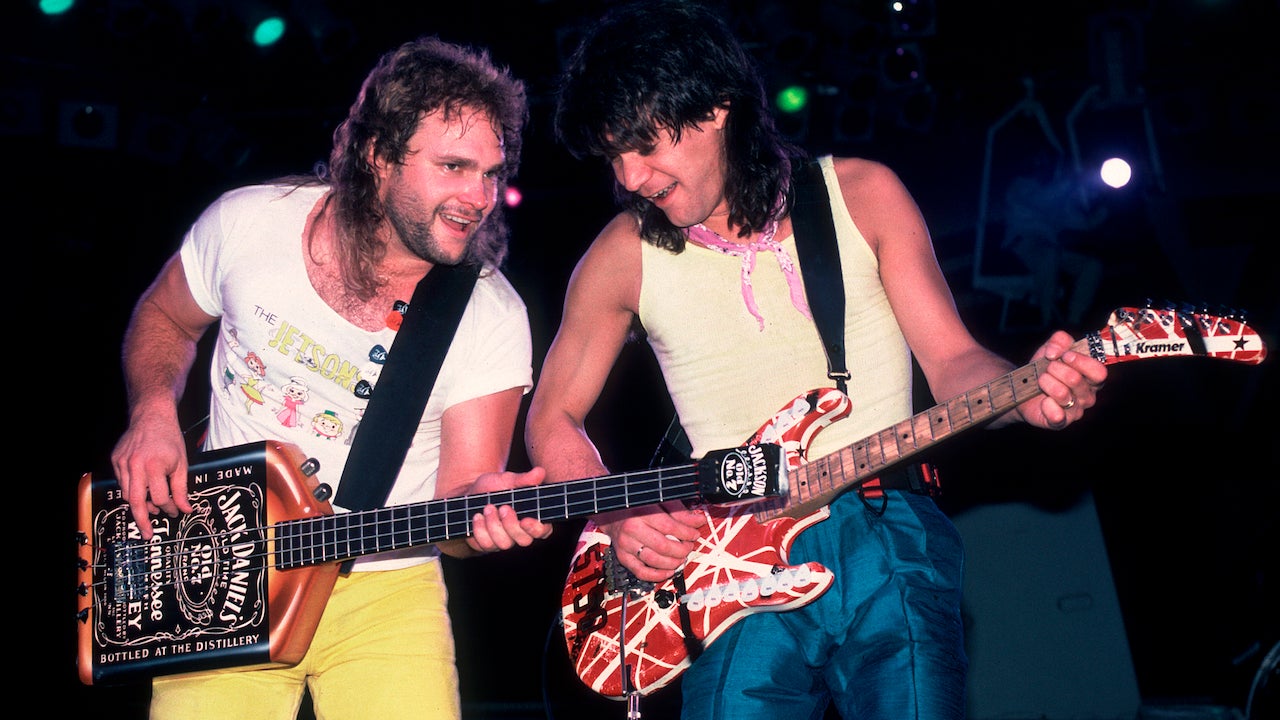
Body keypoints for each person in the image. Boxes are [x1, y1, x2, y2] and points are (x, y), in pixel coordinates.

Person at [524, 2, 1109, 718]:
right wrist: (619, 510)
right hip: (725, 562)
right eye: (613, 156)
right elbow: (551, 417)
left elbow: (954, 362)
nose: (631, 175)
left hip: (885, 525)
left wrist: (1026, 394)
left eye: (644, 145)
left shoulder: (862, 194)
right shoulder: (621, 255)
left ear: (715, 107)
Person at [109, 36, 552, 720]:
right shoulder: (249, 223)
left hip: (386, 596)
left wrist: (484, 513)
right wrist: (151, 415)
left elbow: (458, 511)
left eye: (491, 173)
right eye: (453, 166)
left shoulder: (490, 315)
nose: (480, 196)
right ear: (377, 155)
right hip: (221, 569)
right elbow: (164, 317)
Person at [1002, 150, 1108, 328]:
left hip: (1051, 247)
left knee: (1092, 265)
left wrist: (1105, 208)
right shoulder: (1019, 187)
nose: (1045, 167)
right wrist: (1072, 181)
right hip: (1022, 246)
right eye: (1040, 163)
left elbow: (1080, 223)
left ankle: (1074, 320)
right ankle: (1047, 321)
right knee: (1049, 255)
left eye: (1047, 163)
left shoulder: (1056, 192)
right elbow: (1041, 201)